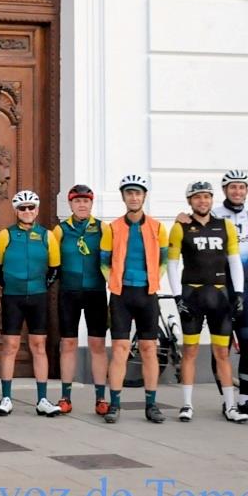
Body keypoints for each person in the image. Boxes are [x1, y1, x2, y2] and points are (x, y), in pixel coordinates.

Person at [166, 181, 248, 423]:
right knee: (189, 351)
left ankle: (231, 406)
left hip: (220, 296)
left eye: (206, 197)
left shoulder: (226, 226)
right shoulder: (180, 227)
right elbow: (172, 264)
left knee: (222, 353)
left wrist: (239, 293)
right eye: (197, 197)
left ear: (212, 200)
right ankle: (187, 405)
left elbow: (234, 261)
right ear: (190, 201)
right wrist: (177, 297)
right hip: (192, 295)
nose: (202, 201)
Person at [99, 174, 168, 424]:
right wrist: (114, 282)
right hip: (122, 295)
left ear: (144, 196)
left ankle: (151, 404)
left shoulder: (158, 227)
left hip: (147, 294)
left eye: (138, 193)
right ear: (123, 197)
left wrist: (153, 280)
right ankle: (114, 404)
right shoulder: (113, 228)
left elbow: (165, 259)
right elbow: (104, 261)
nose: (134, 197)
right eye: (129, 193)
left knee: (149, 349)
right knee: (120, 349)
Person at [0, 190, 61, 417]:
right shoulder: (6, 235)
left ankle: (42, 399)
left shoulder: (46, 235)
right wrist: (12, 285)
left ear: (37, 210)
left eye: (31, 207)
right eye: (22, 208)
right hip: (13, 297)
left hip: (38, 296)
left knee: (39, 346)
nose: (27, 211)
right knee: (10, 346)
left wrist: (40, 285)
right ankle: (6, 397)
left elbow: (54, 269)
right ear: (15, 211)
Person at [211, 170, 248, 419]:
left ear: (246, 191)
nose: (237, 192)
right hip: (219, 290)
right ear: (225, 190)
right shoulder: (213, 215)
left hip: (244, 290)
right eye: (232, 187)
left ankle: (245, 400)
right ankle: (228, 401)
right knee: (220, 348)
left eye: (241, 187)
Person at [51, 184, 108, 416]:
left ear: (92, 203)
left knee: (97, 345)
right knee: (68, 343)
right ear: (70, 204)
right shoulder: (61, 230)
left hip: (96, 292)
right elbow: (51, 261)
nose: (82, 205)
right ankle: (65, 396)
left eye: (86, 201)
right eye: (77, 201)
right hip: (69, 293)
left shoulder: (103, 228)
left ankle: (101, 398)